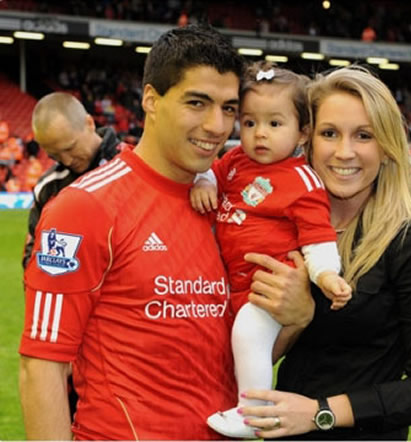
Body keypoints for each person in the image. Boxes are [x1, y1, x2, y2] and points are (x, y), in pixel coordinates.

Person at [19, 24, 246, 440]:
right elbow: (43, 363)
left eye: (229, 108)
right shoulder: (82, 207)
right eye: (198, 102)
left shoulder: (230, 207)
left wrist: (295, 317)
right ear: (150, 100)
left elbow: (235, 352)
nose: (217, 125)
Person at [237, 66, 411, 440]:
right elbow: (250, 354)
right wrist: (297, 319)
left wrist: (321, 413)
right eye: (329, 133)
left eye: (364, 135)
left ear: (387, 148)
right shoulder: (277, 232)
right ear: (306, 138)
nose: (344, 152)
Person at [190, 61, 352, 438]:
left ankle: (254, 412)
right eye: (249, 123)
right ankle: (234, 402)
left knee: (248, 335)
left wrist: (327, 275)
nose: (259, 134)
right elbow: (207, 171)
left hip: (268, 292)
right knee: (226, 348)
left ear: (302, 132)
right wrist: (203, 181)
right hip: (231, 286)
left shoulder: (303, 181)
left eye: (274, 124)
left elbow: (318, 237)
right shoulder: (234, 162)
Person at [22, 92, 131, 269]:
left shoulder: (138, 164)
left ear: (89, 123)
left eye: (70, 148)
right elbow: (32, 258)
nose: (67, 161)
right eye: (54, 155)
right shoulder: (48, 187)